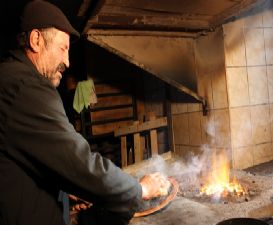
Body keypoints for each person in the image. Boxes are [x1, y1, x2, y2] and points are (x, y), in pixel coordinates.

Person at [0, 1, 167, 225]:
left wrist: (65, 188)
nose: (67, 62)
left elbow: (30, 157)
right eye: (63, 48)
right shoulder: (24, 86)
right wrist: (139, 189)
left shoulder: (10, 78)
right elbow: (77, 160)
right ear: (36, 40)